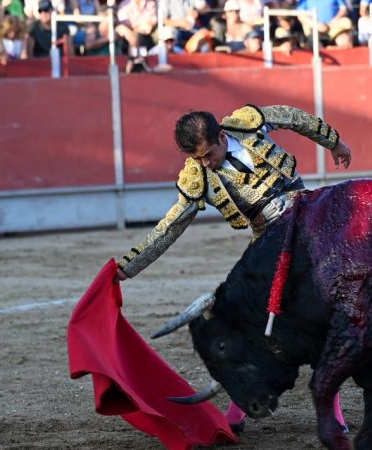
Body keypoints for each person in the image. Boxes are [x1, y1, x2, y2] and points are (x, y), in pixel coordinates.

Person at [114, 104, 352, 433]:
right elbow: (169, 227)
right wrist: (128, 266)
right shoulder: (197, 178)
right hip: (269, 246)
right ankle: (238, 409)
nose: (205, 164)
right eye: (197, 159)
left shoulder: (248, 124)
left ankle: (333, 410)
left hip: (312, 222)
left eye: (208, 154)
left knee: (327, 313)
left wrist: (334, 142)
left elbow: (296, 118)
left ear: (222, 137)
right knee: (255, 327)